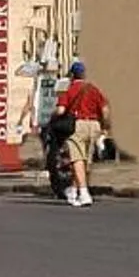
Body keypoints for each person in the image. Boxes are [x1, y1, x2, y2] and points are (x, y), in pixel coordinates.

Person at [57, 62, 109, 209]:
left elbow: (61, 110)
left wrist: (53, 116)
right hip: (94, 125)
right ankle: (74, 191)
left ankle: (84, 192)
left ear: (72, 75)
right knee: (86, 159)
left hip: (77, 125)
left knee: (77, 159)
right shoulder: (94, 89)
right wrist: (104, 128)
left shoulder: (69, 90)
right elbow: (105, 111)